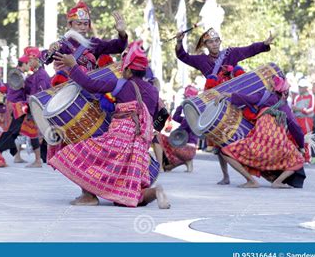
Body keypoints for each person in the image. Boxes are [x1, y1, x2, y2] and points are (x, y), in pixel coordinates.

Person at [50, 41, 170, 209]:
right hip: (140, 147)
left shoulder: (121, 84)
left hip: (119, 139)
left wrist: (73, 66)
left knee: (80, 153)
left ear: (128, 70)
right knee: (128, 194)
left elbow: (90, 84)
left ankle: (88, 197)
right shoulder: (153, 91)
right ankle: (156, 191)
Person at [175, 27, 275, 185]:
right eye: (210, 42)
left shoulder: (230, 54)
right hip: (215, 102)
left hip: (234, 99)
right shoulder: (202, 60)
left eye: (216, 41)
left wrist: (264, 44)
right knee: (219, 141)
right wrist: (179, 41)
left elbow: (249, 50)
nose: (214, 44)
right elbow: (183, 56)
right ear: (205, 45)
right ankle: (226, 176)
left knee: (245, 133)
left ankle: (261, 168)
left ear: (220, 42)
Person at [217, 76, 306, 188]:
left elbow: (247, 98)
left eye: (269, 83)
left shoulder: (263, 96)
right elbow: (295, 128)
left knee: (225, 152)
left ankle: (251, 181)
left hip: (258, 146)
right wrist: (301, 147)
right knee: (299, 159)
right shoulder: (284, 106)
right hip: (279, 148)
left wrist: (227, 94)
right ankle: (277, 182)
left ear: (273, 88)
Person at [45, 1, 128, 85]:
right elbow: (46, 59)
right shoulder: (62, 44)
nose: (83, 27)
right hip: (67, 90)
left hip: (89, 88)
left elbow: (118, 47)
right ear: (70, 25)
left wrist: (122, 33)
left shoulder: (94, 43)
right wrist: (50, 50)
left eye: (85, 24)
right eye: (79, 24)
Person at [157, 85, 199, 173]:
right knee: (165, 138)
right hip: (189, 148)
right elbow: (176, 118)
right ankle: (184, 162)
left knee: (161, 138)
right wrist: (181, 106)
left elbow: (181, 129)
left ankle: (181, 161)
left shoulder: (191, 117)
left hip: (187, 149)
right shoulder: (191, 115)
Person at [23, 46, 51, 168]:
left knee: (37, 134)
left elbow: (42, 93)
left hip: (38, 108)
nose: (28, 63)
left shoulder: (41, 75)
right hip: (35, 108)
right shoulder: (37, 74)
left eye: (30, 60)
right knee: (34, 134)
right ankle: (38, 159)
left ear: (36, 60)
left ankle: (39, 160)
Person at [292, 78, 314, 162]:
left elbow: (310, 110)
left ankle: (307, 159)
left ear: (306, 87)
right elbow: (293, 108)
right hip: (297, 119)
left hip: (306, 120)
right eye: (299, 87)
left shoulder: (310, 96)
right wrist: (297, 109)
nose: (299, 88)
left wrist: (299, 109)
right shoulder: (297, 97)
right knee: (296, 138)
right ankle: (298, 158)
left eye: (301, 87)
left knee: (307, 139)